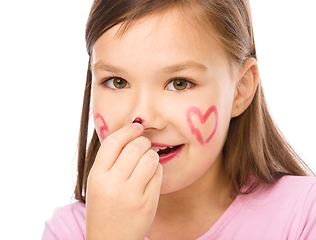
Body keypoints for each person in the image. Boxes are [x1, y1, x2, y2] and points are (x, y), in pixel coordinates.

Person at [42, 0, 316, 239]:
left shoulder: (304, 215)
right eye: (117, 81)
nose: (143, 118)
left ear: (240, 89)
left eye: (179, 83)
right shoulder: (69, 231)